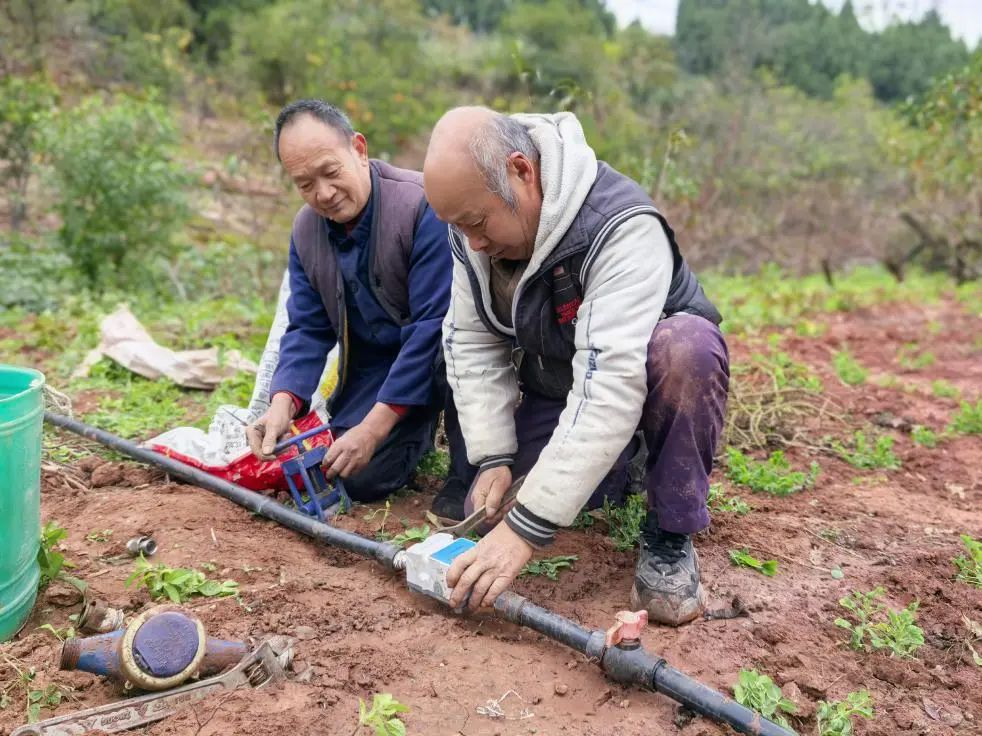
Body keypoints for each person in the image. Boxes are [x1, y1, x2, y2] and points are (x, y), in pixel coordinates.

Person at [422, 107, 729, 625]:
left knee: (687, 348)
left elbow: (610, 383)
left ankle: (670, 534)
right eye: (458, 227)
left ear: (522, 172)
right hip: (561, 382)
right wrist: (493, 456)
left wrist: (522, 534)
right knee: (526, 494)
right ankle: (622, 461)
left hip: (640, 376)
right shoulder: (472, 231)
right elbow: (471, 340)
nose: (472, 242)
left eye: (477, 223)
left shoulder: (620, 225)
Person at [247, 99, 475, 518]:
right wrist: (280, 405)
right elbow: (307, 329)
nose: (324, 194)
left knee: (454, 350)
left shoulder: (423, 206)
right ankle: (409, 432)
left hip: (444, 355)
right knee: (354, 476)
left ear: (359, 148)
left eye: (331, 172)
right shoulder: (306, 232)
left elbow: (432, 327)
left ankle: (466, 469)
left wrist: (373, 429)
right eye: (304, 184)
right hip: (375, 367)